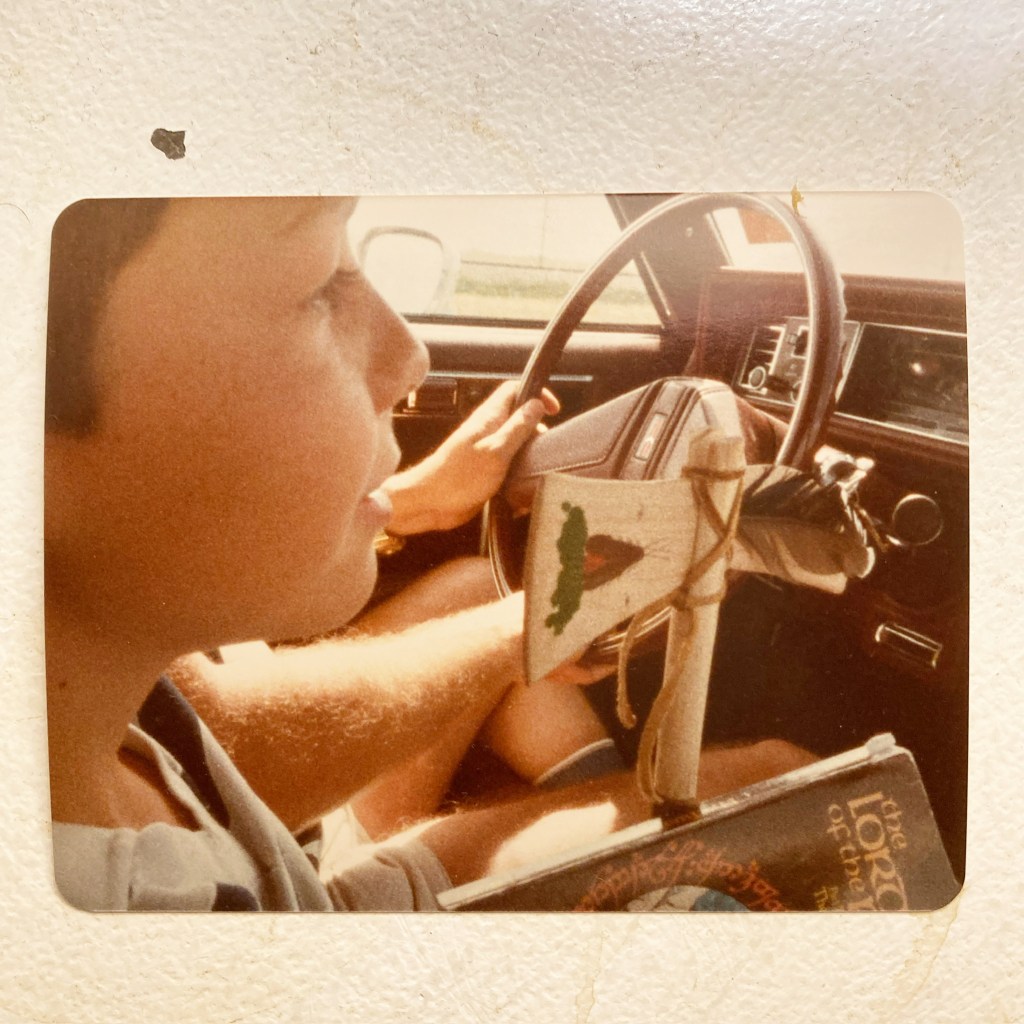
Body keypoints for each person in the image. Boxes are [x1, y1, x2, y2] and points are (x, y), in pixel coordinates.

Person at [45, 196, 811, 911]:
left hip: (261, 837)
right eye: (317, 287)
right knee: (784, 782)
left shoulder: (90, 682)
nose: (410, 358)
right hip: (322, 914)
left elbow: (224, 738)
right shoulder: (162, 921)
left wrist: (424, 518)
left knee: (480, 592)